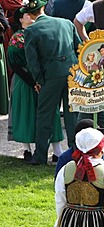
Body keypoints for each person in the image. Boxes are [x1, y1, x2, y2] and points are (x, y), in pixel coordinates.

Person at [23, 0, 81, 164]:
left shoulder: (31, 30)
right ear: (43, 8)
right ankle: (76, 154)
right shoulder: (66, 23)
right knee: (73, 116)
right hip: (72, 73)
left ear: (29, 14)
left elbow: (32, 61)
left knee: (45, 116)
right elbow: (80, 47)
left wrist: (39, 80)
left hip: (51, 76)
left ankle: (40, 156)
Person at [7, 7, 63, 162]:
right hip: (24, 80)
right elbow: (14, 63)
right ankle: (27, 149)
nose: (30, 16)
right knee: (26, 111)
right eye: (26, 14)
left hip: (45, 78)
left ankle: (57, 149)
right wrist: (32, 82)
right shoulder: (17, 38)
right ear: (20, 19)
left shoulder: (41, 31)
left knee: (51, 112)